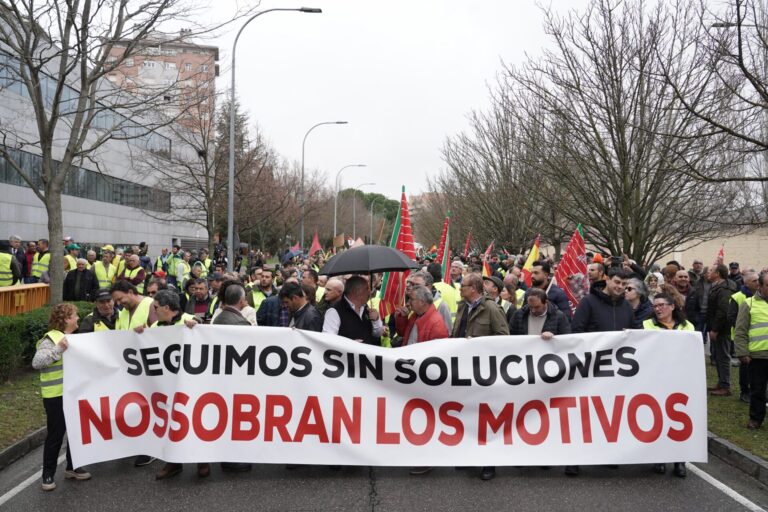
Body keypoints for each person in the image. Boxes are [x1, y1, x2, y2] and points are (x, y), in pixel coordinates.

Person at [566, 267, 637, 477]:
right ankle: (575, 459)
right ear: (606, 279)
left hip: (616, 372)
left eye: (624, 285)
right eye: (616, 282)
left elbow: (633, 336)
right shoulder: (588, 302)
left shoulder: (626, 307)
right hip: (590, 370)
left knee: (611, 416)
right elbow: (576, 332)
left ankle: (608, 454)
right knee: (584, 415)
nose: (620, 287)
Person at [451, 272, 509, 481]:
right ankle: (468, 455)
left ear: (474, 288)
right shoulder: (462, 306)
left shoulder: (491, 308)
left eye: (463, 286)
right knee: (465, 414)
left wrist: (477, 344)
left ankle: (488, 462)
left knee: (485, 417)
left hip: (483, 373)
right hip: (462, 370)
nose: (460, 288)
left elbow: (504, 338)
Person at [31, 303, 92, 491]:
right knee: (56, 435)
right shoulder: (51, 339)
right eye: (75, 315)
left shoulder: (75, 338)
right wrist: (58, 349)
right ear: (66, 319)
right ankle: (47, 475)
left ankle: (72, 468)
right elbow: (37, 362)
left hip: (74, 393)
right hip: (56, 395)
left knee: (76, 432)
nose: (78, 318)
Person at [642, 292, 694, 478]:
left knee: (679, 421)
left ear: (672, 306)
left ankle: (680, 462)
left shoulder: (687, 326)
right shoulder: (646, 325)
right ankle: (659, 459)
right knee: (658, 418)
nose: (658, 308)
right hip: (656, 379)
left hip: (681, 380)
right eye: (655, 306)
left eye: (662, 305)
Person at [211, 282, 253, 473]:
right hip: (236, 378)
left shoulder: (219, 318)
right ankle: (235, 460)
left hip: (223, 377)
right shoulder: (240, 322)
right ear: (242, 300)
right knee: (236, 419)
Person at [735, 271, 768, 430]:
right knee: (757, 390)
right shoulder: (749, 304)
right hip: (758, 356)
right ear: (760, 286)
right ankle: (756, 418)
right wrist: (742, 352)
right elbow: (740, 331)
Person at [323, 275, 384, 345]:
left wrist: (376, 320)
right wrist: (350, 344)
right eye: (367, 289)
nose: (369, 292)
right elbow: (328, 340)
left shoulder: (366, 308)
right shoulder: (334, 311)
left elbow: (378, 334)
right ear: (356, 291)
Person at [708, 264, 738, 397]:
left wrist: (715, 329)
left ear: (718, 273)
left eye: (711, 271)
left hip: (722, 329)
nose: (708, 272)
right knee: (719, 356)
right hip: (717, 327)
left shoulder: (725, 288)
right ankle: (721, 383)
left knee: (723, 356)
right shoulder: (719, 286)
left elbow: (723, 311)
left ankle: (725, 386)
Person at [729, 270, 760, 403]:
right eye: (754, 281)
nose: (758, 283)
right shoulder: (737, 297)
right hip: (743, 339)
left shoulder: (763, 297)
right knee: (745, 367)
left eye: (758, 280)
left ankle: (758, 391)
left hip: (759, 340)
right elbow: (731, 317)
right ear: (746, 283)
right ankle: (745, 391)